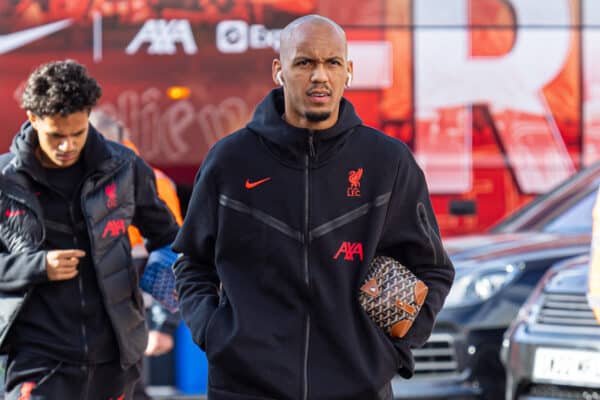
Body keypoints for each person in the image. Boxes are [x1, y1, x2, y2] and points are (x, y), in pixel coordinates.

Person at [172, 14, 455, 400]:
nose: (319, 75)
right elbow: (192, 263)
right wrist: (215, 333)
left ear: (348, 72)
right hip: (246, 387)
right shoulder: (230, 160)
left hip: (358, 387)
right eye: (305, 62)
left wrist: (391, 351)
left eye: (332, 63)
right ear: (279, 71)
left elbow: (432, 268)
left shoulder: (387, 162)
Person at [0, 60, 179, 399]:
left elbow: (170, 238)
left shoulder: (125, 168)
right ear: (33, 119)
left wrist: (161, 310)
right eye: (56, 135)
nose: (67, 146)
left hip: (114, 358)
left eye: (77, 133)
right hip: (36, 359)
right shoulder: (5, 180)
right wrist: (38, 266)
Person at [88, 110, 183, 399]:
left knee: (126, 384)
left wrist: (162, 324)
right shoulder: (84, 180)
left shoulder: (149, 180)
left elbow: (173, 254)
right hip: (106, 311)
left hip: (133, 305)